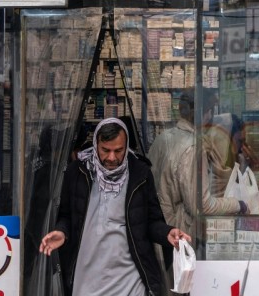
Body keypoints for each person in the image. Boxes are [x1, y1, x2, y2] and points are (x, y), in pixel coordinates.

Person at [40, 117, 191, 296]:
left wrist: (167, 233)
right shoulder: (77, 172)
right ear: (96, 144)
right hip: (87, 278)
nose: (112, 158)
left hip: (130, 278)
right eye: (105, 150)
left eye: (118, 151)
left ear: (126, 146)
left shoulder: (140, 174)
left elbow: (152, 221)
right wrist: (62, 232)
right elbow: (66, 215)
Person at [148, 89, 250, 243]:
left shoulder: (161, 139)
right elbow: (202, 206)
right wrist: (238, 204)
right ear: (206, 113)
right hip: (178, 234)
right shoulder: (194, 147)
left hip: (159, 232)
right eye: (211, 112)